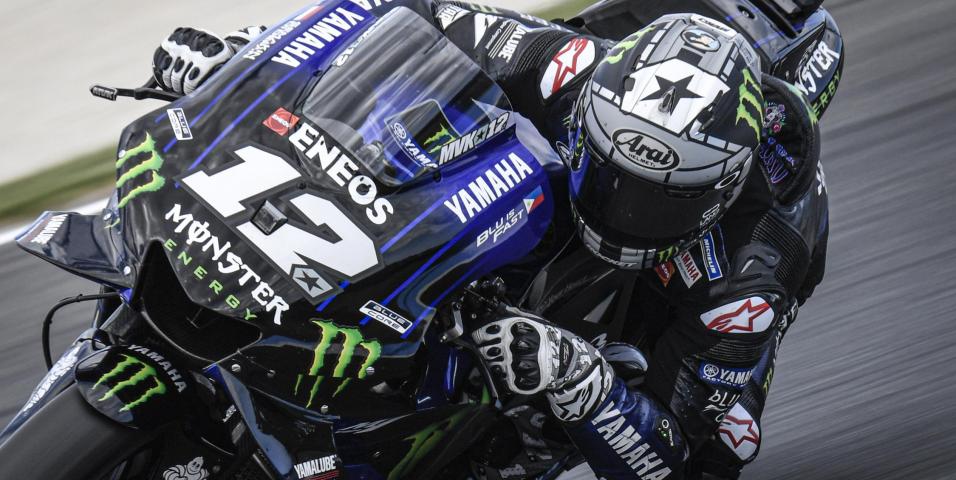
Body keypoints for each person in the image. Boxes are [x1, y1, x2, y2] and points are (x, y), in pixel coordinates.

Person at [150, 3, 834, 478]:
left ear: (720, 188)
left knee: (722, 451)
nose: (623, 210)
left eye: (657, 199)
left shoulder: (755, 265)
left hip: (682, 304)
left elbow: (674, 457)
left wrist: (583, 381)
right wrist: (246, 62)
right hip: (563, 178)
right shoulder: (571, 67)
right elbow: (398, 16)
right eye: (609, 171)